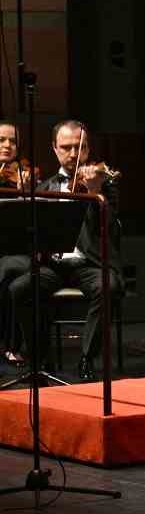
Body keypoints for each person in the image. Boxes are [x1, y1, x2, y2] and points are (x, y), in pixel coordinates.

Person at [9, 121, 123, 382]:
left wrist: (95, 193)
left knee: (109, 286)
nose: (73, 154)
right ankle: (40, 361)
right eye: (66, 147)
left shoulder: (105, 184)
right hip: (54, 266)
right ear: (54, 148)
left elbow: (111, 230)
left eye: (78, 148)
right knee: (20, 289)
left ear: (87, 149)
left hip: (89, 264)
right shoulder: (44, 187)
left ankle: (87, 358)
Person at [0, 121, 32, 366]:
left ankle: (11, 344)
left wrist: (25, 194)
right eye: (1, 140)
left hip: (15, 250)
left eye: (12, 141)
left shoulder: (25, 174)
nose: (8, 145)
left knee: (10, 272)